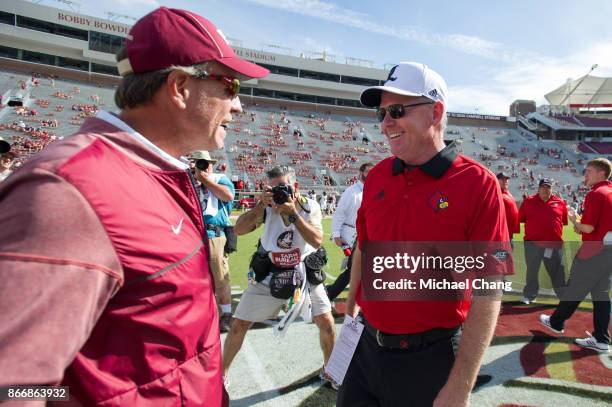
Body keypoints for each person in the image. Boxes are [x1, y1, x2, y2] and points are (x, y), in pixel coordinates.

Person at [0, 7, 268, 406]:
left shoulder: (151, 171)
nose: (238, 106)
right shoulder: (68, 189)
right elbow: (14, 384)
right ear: (179, 87)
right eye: (229, 86)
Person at [341, 62, 511, 406]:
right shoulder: (376, 176)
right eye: (382, 112)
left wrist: (460, 386)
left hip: (430, 359)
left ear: (435, 112)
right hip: (364, 349)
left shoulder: (478, 183)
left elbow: (490, 288)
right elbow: (364, 245)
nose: (386, 122)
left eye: (397, 110)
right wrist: (349, 313)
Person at [222, 165, 336, 384]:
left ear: (295, 187)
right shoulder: (266, 207)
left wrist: (293, 214)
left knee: (326, 321)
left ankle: (330, 369)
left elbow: (316, 240)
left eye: (281, 188)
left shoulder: (308, 206)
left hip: (304, 273)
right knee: (239, 324)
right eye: (272, 189)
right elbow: (239, 229)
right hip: (269, 271)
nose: (277, 194)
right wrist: (259, 207)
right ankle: (221, 374)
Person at [539, 158, 612, 353]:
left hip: (593, 251)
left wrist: (574, 220)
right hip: (608, 251)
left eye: (589, 171)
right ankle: (602, 339)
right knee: (601, 294)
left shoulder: (596, 194)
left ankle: (556, 322)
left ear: (601, 173)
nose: (585, 174)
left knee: (575, 287)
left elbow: (588, 227)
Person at [189, 150, 236, 332]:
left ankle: (226, 314)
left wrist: (205, 180)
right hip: (193, 236)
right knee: (196, 279)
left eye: (205, 163)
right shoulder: (190, 182)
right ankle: (205, 313)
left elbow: (228, 196)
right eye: (198, 163)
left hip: (214, 235)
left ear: (211, 164)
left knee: (220, 278)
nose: (202, 166)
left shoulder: (220, 179)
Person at [326, 162, 372, 301]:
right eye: (367, 171)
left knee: (360, 268)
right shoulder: (351, 191)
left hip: (366, 236)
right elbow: (339, 213)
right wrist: (336, 234)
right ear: (361, 173)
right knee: (354, 269)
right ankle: (331, 293)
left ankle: (332, 292)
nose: (370, 175)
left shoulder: (373, 190)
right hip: (352, 235)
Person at [518, 178, 568, 304]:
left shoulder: (560, 203)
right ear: (538, 188)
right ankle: (530, 295)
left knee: (557, 272)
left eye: (548, 187)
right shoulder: (528, 202)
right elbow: (521, 219)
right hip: (533, 244)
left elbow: (564, 222)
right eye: (543, 187)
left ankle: (563, 296)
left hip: (553, 245)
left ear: (552, 189)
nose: (546, 189)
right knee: (532, 271)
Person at [497, 172, 519, 241]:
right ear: (497, 181)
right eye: (503, 179)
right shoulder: (496, 194)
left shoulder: (506, 192)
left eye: (506, 179)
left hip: (511, 231)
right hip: (503, 232)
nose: (505, 181)